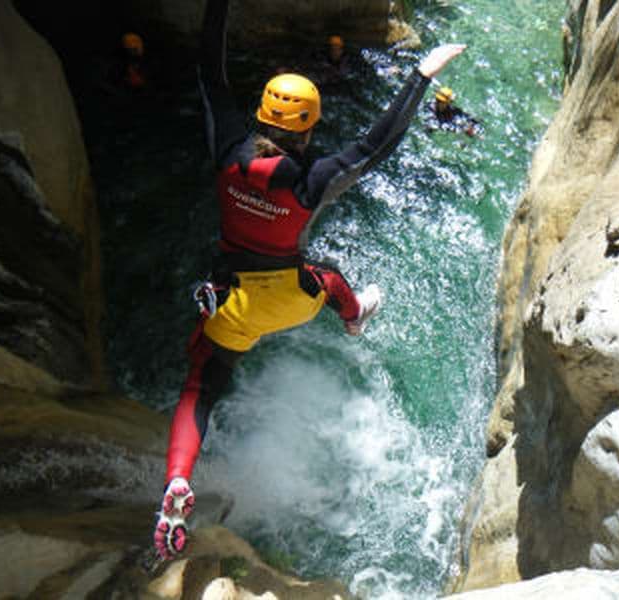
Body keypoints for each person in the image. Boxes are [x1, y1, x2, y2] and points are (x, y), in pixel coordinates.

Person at [152, 0, 466, 560]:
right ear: (310, 124)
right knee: (328, 278)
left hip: (232, 302)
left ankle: (178, 481)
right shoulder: (312, 181)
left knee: (200, 384)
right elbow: (375, 147)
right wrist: (420, 77)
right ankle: (353, 320)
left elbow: (210, 73)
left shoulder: (228, 150)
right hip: (293, 299)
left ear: (262, 114)